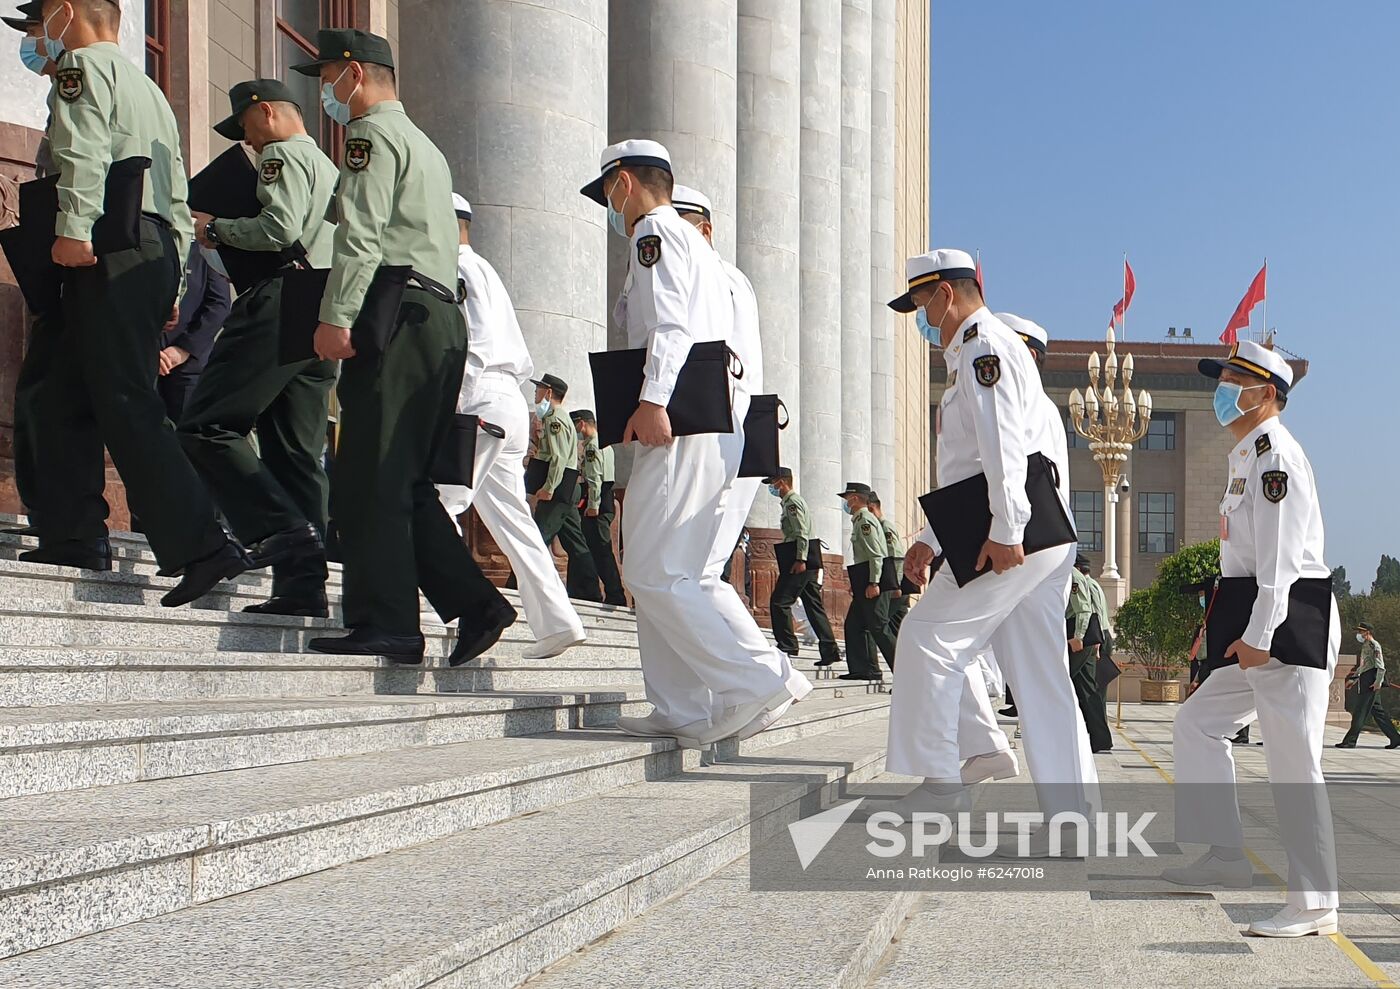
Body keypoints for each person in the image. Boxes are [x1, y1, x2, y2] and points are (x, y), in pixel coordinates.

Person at [292, 28, 515, 665]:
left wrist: (335, 317)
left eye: (328, 78)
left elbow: (360, 236)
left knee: (370, 475)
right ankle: (476, 604)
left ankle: (387, 622)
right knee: (405, 477)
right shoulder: (424, 145)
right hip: (435, 317)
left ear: (355, 74)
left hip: (394, 311)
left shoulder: (370, 136)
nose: (326, 93)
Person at [580, 139, 809, 747]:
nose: (610, 206)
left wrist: (654, 399)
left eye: (609, 192)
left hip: (681, 416)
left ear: (624, 182)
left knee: (655, 570)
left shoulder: (655, 232)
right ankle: (679, 707)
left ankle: (752, 681)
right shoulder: (693, 248)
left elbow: (672, 326)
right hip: (702, 416)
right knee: (665, 570)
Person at [26, 0, 251, 604]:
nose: (40, 35)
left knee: (125, 398)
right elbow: (176, 195)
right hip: (147, 247)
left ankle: (204, 544)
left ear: (65, 12)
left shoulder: (81, 67)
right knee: (55, 392)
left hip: (105, 242)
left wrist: (75, 229)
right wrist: (174, 282)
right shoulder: (150, 91)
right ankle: (73, 534)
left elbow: (83, 151)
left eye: (43, 19)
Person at [883, 254, 1094, 839]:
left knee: (927, 638)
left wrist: (1006, 530)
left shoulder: (984, 348)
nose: (923, 320)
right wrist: (931, 539)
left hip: (1009, 535)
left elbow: (1004, 449)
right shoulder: (978, 353)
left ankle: (944, 783)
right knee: (1042, 682)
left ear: (945, 295)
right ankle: (1072, 821)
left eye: (921, 305)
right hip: (1036, 533)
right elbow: (972, 468)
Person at [1164, 340, 1339, 938]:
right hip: (1254, 619)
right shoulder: (1247, 457)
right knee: (1197, 723)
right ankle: (1225, 854)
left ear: (1266, 393)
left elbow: (1282, 560)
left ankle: (1314, 904)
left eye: (1233, 380)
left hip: (1288, 620)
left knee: (1294, 764)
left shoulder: (1275, 457)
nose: (1222, 390)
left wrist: (1261, 634)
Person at [178, 79, 339, 616]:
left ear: (265, 112)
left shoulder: (281, 156)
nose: (246, 141)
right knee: (296, 455)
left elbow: (278, 228)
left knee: (205, 424)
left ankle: (280, 530)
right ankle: (302, 586)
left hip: (278, 296)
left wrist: (214, 229)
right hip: (319, 301)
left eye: (245, 128)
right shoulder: (326, 166)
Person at [433, 194, 587, 659]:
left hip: (479, 397)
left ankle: (448, 609)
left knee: (439, 501)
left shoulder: (458, 269)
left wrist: (454, 404)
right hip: (507, 402)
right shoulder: (484, 269)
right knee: (514, 520)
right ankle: (558, 622)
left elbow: (476, 343)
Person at [5, 0, 58, 542]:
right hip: (68, 257)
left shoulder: (80, 81)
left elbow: (84, 169)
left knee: (47, 396)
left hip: (77, 259)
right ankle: (69, 530)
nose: (30, 43)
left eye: (36, 31)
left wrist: (72, 239)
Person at [529, 373, 602, 603]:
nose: (536, 392)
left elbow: (558, 458)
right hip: (568, 485)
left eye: (539, 389)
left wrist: (549, 487)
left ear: (549, 392)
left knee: (538, 537)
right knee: (575, 543)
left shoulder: (554, 420)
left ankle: (523, 586)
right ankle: (590, 591)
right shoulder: (558, 418)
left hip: (559, 485)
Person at [764, 467, 842, 667]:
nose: (772, 487)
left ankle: (787, 644)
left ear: (782, 482)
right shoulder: (791, 502)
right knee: (813, 607)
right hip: (805, 560)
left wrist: (800, 559)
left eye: (773, 483)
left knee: (779, 602)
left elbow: (801, 532)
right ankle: (830, 650)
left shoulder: (792, 503)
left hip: (799, 561)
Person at [159, 244, 230, 423]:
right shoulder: (146, 245)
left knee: (185, 431)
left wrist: (183, 349)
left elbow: (219, 305)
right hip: (143, 361)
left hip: (188, 365)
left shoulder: (205, 251)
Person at [839, 482, 898, 681]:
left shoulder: (865, 520)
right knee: (855, 625)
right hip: (865, 579)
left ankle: (906, 674)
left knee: (879, 627)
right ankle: (865, 669)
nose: (846, 503)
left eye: (847, 498)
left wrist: (874, 583)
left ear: (855, 498)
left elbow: (876, 554)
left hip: (873, 581)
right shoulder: (860, 520)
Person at [569, 409, 627, 607]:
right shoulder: (604, 443)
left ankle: (615, 593)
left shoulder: (592, 446)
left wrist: (593, 505)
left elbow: (594, 478)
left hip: (597, 501)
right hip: (605, 497)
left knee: (601, 551)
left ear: (582, 424)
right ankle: (597, 591)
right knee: (598, 549)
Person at [1067, 553, 1114, 753]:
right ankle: (1100, 738)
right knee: (1089, 690)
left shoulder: (1079, 580)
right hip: (1092, 635)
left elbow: (1091, 612)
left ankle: (1095, 737)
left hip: (1088, 635)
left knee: (1064, 682)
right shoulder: (1092, 583)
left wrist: (1093, 641)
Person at [1336, 622, 1400, 749]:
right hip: (1366, 680)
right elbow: (1364, 666)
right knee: (1378, 713)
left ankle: (1350, 741)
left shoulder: (1374, 645)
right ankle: (1395, 738)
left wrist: (1377, 682)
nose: (1358, 634)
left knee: (1360, 712)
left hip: (1371, 682)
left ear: (1368, 632)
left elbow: (1381, 667)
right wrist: (1353, 679)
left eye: (1361, 631)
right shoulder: (1366, 645)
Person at [868, 492, 909, 636]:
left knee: (879, 622)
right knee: (898, 627)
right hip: (894, 586)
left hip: (894, 586)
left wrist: (896, 585)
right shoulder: (879, 527)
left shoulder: (885, 527)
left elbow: (896, 557)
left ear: (871, 507)